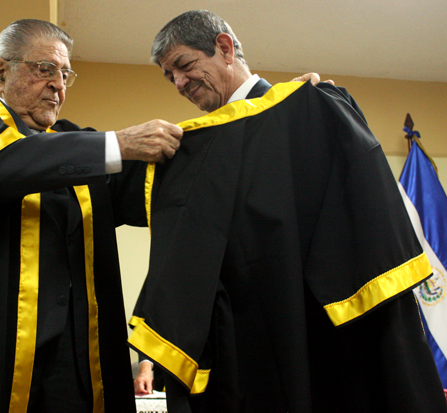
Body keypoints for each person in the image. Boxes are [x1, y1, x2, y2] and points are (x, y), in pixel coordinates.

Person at [128, 10, 447, 413]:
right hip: (249, 352)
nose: (178, 82)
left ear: (224, 48)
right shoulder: (197, 157)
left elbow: (364, 224)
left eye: (184, 65)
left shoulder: (312, 110)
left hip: (331, 339)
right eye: (168, 75)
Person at [0, 19, 182, 413]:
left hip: (77, 380)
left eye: (65, 74)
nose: (59, 86)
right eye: (45, 69)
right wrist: (117, 143)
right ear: (0, 71)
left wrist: (270, 115)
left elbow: (174, 184)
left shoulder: (73, 147)